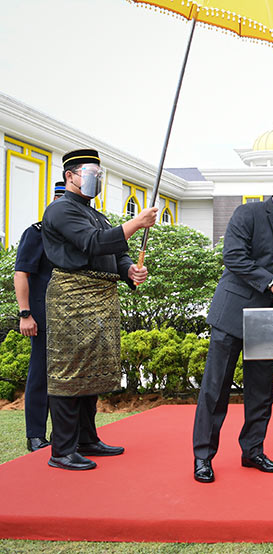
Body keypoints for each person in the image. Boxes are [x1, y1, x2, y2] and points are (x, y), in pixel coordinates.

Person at [193, 158, 273, 483]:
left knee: (261, 390)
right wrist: (269, 281)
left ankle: (252, 450)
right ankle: (203, 457)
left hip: (268, 320)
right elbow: (234, 256)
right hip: (233, 313)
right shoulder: (248, 214)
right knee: (216, 388)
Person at [41, 149, 157, 470]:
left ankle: (87, 439)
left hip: (101, 297)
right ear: (71, 177)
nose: (98, 181)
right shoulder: (61, 210)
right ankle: (62, 449)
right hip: (72, 299)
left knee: (91, 372)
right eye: (92, 175)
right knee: (71, 371)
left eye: (100, 176)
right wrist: (137, 222)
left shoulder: (96, 213)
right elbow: (93, 243)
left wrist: (129, 271)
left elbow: (114, 251)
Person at [14, 181, 66, 452]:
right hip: (42, 316)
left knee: (67, 378)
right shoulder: (36, 232)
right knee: (40, 375)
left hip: (69, 317)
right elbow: (21, 273)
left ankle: (64, 433)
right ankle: (35, 434)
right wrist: (25, 314)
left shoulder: (72, 234)